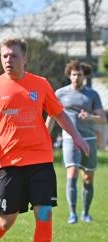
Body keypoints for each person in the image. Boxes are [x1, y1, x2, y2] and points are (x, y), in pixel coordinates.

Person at [0, 38, 90, 242]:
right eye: (4, 56)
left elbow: (58, 113)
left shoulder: (40, 84)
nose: (8, 60)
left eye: (13, 56)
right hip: (8, 163)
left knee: (44, 214)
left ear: (25, 58)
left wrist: (77, 137)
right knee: (6, 220)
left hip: (40, 160)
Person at [46, 60, 106, 224]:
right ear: (69, 75)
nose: (76, 77)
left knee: (88, 177)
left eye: (79, 74)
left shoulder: (92, 95)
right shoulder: (59, 94)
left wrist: (91, 117)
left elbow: (103, 119)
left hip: (89, 140)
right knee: (71, 174)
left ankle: (85, 213)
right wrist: (45, 136)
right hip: (69, 139)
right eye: (73, 74)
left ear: (84, 76)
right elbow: (52, 116)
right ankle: (72, 214)